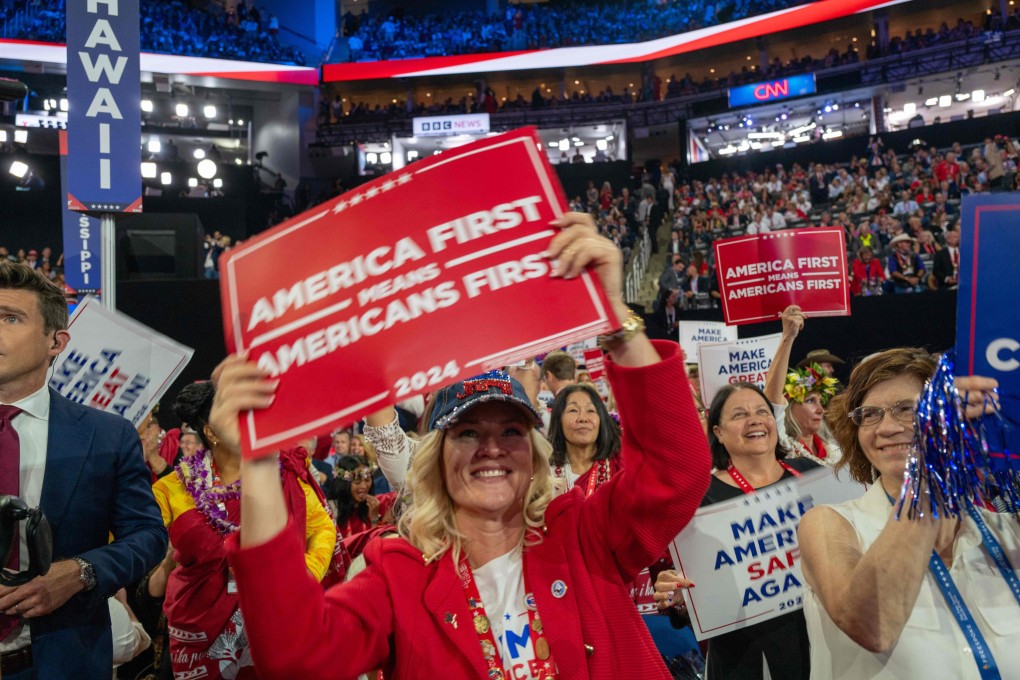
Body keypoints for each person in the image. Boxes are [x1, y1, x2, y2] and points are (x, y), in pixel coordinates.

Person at [214, 213, 712, 679]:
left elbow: (677, 471)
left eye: (512, 432)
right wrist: (257, 458)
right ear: (437, 457)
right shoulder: (399, 575)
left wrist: (615, 317)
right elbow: (295, 653)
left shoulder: (583, 533)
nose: (491, 447)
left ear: (535, 455)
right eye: (468, 432)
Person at [0, 261, 167, 677]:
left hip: (60, 660)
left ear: (56, 342)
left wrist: (81, 572)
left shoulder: (107, 436)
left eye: (10, 318)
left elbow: (148, 536)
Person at [798, 349, 1007, 679]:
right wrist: (934, 464)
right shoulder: (829, 524)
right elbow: (873, 627)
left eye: (907, 409)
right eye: (870, 414)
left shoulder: (1004, 531)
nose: (887, 427)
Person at [152, 382, 338, 679]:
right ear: (212, 433)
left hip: (272, 625)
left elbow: (323, 529)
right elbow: (137, 536)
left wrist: (304, 574)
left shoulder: (284, 477)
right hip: (197, 631)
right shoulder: (173, 488)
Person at [654, 382, 819, 679]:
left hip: (819, 646)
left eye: (761, 411)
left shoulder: (810, 473)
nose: (755, 419)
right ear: (718, 432)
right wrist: (682, 600)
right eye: (740, 414)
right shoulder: (699, 499)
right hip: (743, 660)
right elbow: (698, 602)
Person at [764, 307, 843, 466]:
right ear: (789, 407)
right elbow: (772, 401)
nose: (821, 409)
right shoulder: (783, 446)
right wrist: (788, 337)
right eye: (810, 401)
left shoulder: (834, 452)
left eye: (820, 401)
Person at [547, 383, 621, 498]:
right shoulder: (544, 473)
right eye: (573, 410)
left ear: (601, 419)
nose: (583, 418)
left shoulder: (621, 467)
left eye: (590, 410)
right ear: (558, 420)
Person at [329, 455, 397, 538]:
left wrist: (374, 518)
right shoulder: (330, 510)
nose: (364, 486)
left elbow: (375, 545)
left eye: (367, 480)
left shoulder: (377, 504)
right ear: (343, 484)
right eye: (357, 482)